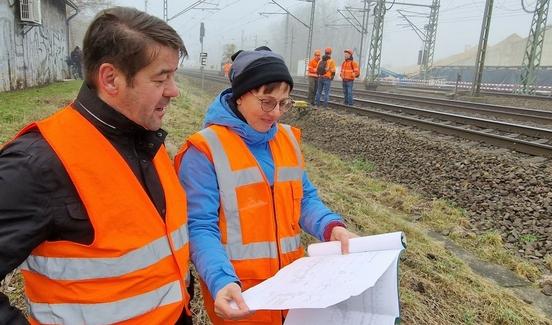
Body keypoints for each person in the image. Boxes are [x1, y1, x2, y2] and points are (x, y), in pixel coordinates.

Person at [0, 7, 193, 324]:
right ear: (110, 79)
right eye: (161, 78)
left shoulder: (147, 140)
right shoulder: (37, 164)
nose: (174, 91)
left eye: (173, 76)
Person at [175, 47, 357, 325]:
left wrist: (331, 227)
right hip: (242, 298)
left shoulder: (287, 140)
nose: (275, 113)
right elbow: (200, 227)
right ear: (240, 97)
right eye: (267, 102)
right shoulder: (203, 151)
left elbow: (304, 198)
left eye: (284, 103)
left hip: (292, 292)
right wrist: (221, 280)